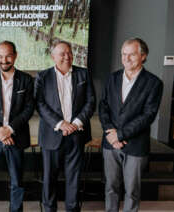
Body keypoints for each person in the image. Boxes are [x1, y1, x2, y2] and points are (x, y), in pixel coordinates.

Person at [99, 38, 163, 212]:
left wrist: (120, 135)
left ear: (143, 56)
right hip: (110, 143)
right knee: (110, 188)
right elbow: (103, 106)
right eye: (123, 54)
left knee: (132, 191)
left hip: (135, 145)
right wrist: (110, 133)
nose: (126, 59)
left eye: (132, 54)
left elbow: (148, 115)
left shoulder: (154, 83)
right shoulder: (112, 78)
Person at [34, 40, 96, 212]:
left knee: (74, 178)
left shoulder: (83, 74)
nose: (67, 56)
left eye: (69, 52)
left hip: (77, 135)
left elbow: (91, 102)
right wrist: (61, 124)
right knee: (49, 179)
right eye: (62, 53)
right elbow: (39, 104)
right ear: (53, 57)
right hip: (51, 135)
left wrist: (75, 123)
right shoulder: (43, 76)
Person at [0, 40, 34, 212]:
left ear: (15, 56)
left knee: (17, 183)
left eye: (8, 55)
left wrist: (8, 130)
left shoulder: (26, 80)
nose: (4, 60)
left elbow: (28, 109)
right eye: (1, 56)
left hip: (16, 137)